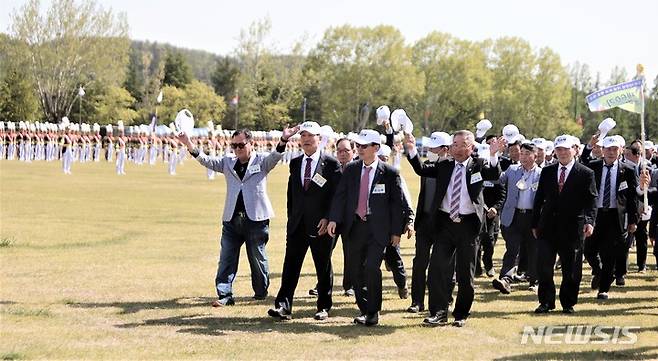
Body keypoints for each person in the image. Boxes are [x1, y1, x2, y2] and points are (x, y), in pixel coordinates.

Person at [178, 125, 298, 307]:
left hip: (256, 220)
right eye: (234, 146)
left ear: (251, 143)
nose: (237, 149)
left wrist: (283, 140)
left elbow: (276, 156)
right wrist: (189, 144)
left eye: (241, 145)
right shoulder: (227, 162)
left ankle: (260, 291)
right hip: (232, 219)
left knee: (257, 258)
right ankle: (225, 294)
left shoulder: (262, 161)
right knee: (226, 258)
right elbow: (207, 161)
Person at [404, 130, 502, 327]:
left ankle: (461, 314)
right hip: (445, 224)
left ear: (471, 147)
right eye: (454, 144)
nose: (456, 148)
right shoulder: (444, 165)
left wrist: (493, 154)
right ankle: (438, 313)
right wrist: (412, 148)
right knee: (437, 269)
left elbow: (494, 173)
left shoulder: (478, 166)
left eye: (461, 144)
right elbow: (422, 169)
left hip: (469, 226)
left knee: (465, 274)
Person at [327, 129, 405, 326]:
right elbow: (340, 196)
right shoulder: (352, 170)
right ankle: (364, 309)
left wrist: (397, 232)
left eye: (364, 146)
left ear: (375, 148)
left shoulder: (389, 173)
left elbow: (398, 205)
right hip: (354, 227)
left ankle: (373, 311)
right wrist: (334, 219)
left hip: (378, 230)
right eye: (358, 146)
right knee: (355, 271)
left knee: (371, 268)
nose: (359, 149)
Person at [268, 122, 341, 321]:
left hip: (321, 226)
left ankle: (323, 307)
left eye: (311, 136)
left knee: (323, 266)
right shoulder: (295, 162)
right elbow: (292, 194)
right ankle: (283, 306)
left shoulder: (331, 164)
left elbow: (337, 196)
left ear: (319, 138)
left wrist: (329, 217)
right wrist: (292, 218)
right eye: (303, 136)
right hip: (297, 224)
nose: (307, 139)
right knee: (290, 265)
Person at [531, 134, 597, 314]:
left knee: (571, 268)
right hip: (547, 226)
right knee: (544, 266)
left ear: (575, 150)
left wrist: (590, 221)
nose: (562, 153)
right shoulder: (548, 171)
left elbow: (591, 201)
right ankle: (545, 302)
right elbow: (539, 199)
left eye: (566, 149)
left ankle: (568, 303)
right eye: (559, 149)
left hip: (573, 227)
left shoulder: (586, 173)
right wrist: (535, 223)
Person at [582, 136, 638, 299]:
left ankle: (603, 289)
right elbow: (581, 162)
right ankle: (599, 272)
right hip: (596, 214)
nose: (611, 152)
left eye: (615, 149)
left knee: (610, 254)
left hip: (616, 216)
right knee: (589, 250)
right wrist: (588, 146)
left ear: (620, 150)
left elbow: (632, 196)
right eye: (608, 149)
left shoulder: (627, 170)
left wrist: (633, 220)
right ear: (602, 150)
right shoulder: (593, 167)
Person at [492, 142, 541, 294]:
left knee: (533, 249)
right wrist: (494, 156)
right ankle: (506, 279)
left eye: (528, 154)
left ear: (535, 156)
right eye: (522, 154)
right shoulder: (512, 170)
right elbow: (497, 179)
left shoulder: (542, 173)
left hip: (533, 217)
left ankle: (535, 280)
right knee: (512, 248)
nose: (524, 157)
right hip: (513, 216)